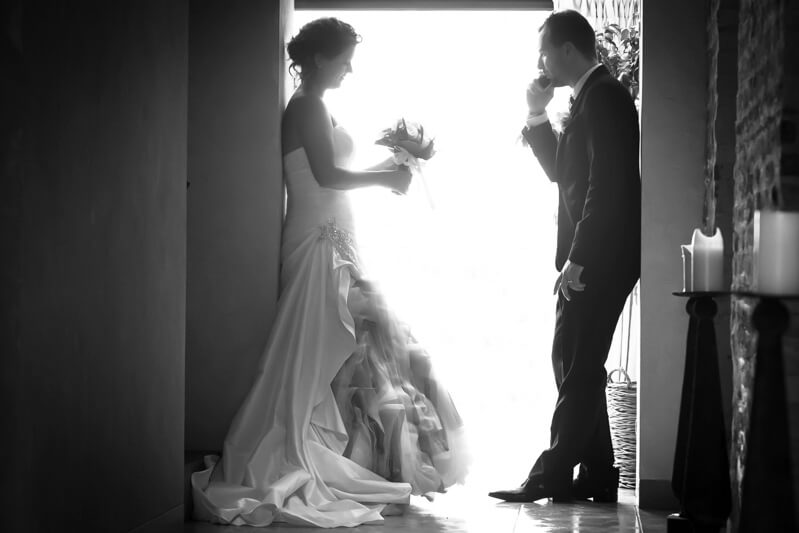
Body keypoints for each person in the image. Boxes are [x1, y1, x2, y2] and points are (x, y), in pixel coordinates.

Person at [191, 17, 467, 528]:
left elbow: (334, 174)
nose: (349, 69)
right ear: (318, 59)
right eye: (343, 60)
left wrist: (392, 164)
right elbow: (326, 174)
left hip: (337, 231)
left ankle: (365, 459)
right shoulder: (307, 106)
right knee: (331, 348)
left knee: (361, 351)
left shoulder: (316, 107)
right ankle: (335, 455)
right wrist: (387, 176)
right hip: (320, 240)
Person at [488, 10, 640, 503]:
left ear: (568, 49)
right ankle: (596, 473)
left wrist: (580, 258)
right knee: (575, 362)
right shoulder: (588, 98)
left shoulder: (607, 98)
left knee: (575, 367)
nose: (541, 62)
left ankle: (548, 476)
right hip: (593, 256)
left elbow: (607, 186)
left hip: (601, 258)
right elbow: (564, 172)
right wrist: (535, 113)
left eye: (545, 52)